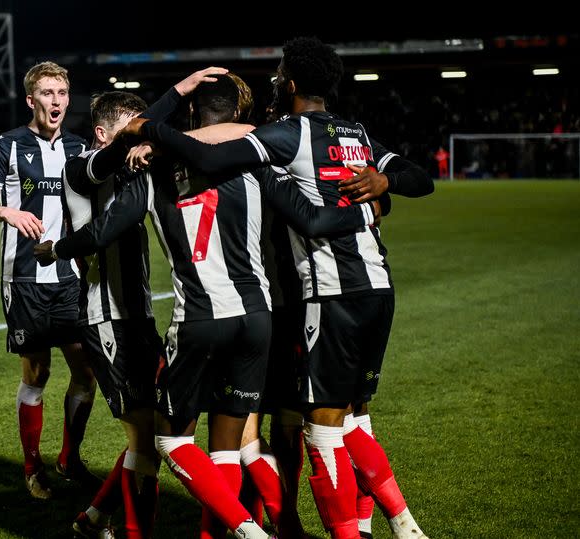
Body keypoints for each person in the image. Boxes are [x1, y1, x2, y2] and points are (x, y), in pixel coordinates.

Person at [37, 72, 379, 539]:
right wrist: (370, 206)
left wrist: (55, 249)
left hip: (196, 319)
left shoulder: (153, 169)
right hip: (260, 317)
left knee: (167, 439)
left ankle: (246, 530)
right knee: (232, 444)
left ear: (193, 116)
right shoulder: (258, 163)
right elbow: (310, 216)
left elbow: (105, 230)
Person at [120, 36, 433, 539]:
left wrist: (152, 129)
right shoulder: (354, 133)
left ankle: (330, 529)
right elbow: (421, 178)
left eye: (280, 71)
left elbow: (220, 160)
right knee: (351, 418)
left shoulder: (286, 137)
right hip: (377, 286)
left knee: (317, 429)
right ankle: (389, 523)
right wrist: (384, 185)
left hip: (316, 296)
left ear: (288, 83)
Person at [61, 68, 230, 539]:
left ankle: (94, 519)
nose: (142, 140)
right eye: (133, 129)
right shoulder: (82, 168)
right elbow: (129, 145)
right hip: (106, 319)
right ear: (103, 134)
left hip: (138, 316)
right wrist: (178, 93)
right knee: (146, 439)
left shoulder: (138, 171)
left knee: (156, 431)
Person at [0, 61, 98, 501]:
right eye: (47, 93)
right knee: (37, 371)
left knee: (86, 371)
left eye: (62, 92)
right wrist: (8, 211)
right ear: (31, 100)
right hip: (23, 278)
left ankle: (70, 459)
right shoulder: (7, 145)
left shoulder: (80, 149)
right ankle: (32, 467)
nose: (57, 100)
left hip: (71, 277)